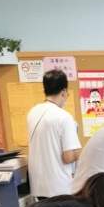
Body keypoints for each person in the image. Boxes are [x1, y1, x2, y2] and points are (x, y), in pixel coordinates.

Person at [27, 70, 81, 199]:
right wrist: (77, 155)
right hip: (59, 188)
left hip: (38, 187)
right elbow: (68, 157)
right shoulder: (64, 117)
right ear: (64, 92)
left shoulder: (32, 113)